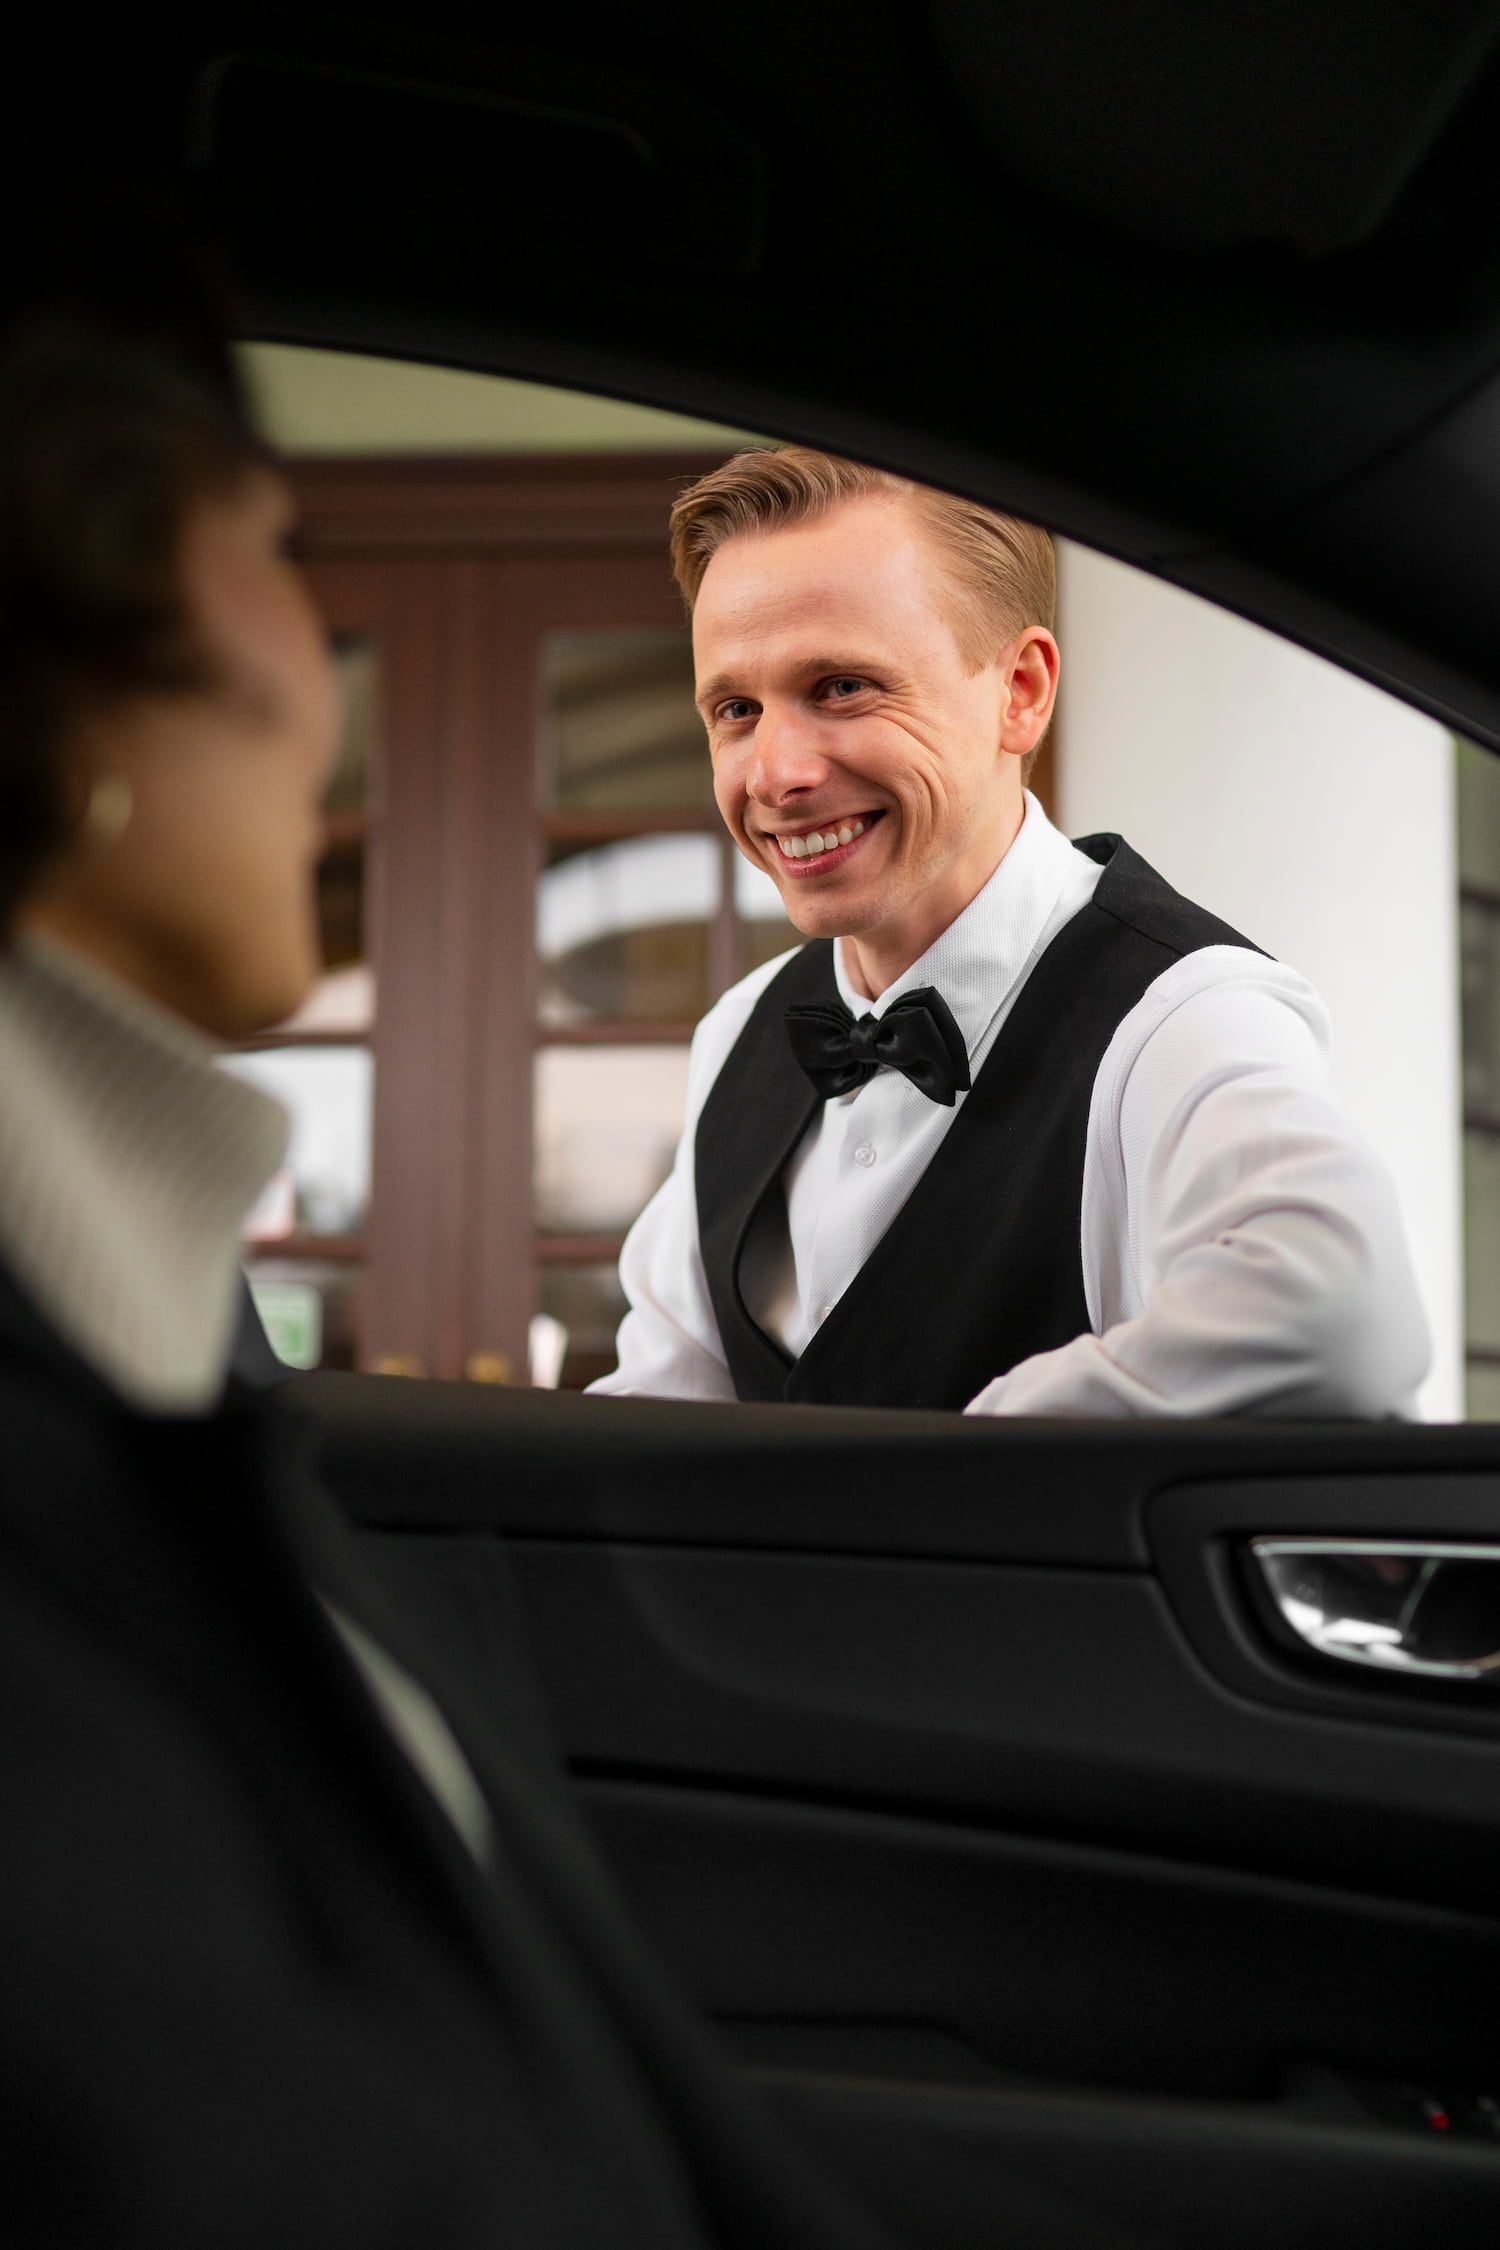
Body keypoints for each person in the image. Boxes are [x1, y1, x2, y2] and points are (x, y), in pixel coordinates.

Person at [0, 218, 887, 2249]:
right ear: (100, 595)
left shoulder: (150, 1343)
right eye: (287, 559)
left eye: (832, 688)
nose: (324, 687)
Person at [591, 449, 1430, 1416]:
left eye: (841, 687)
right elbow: (662, 1401)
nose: (775, 773)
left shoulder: (1181, 1016)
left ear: (1021, 691)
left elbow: (1344, 1322)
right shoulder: (738, 1028)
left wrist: (971, 1459)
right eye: (737, 708)